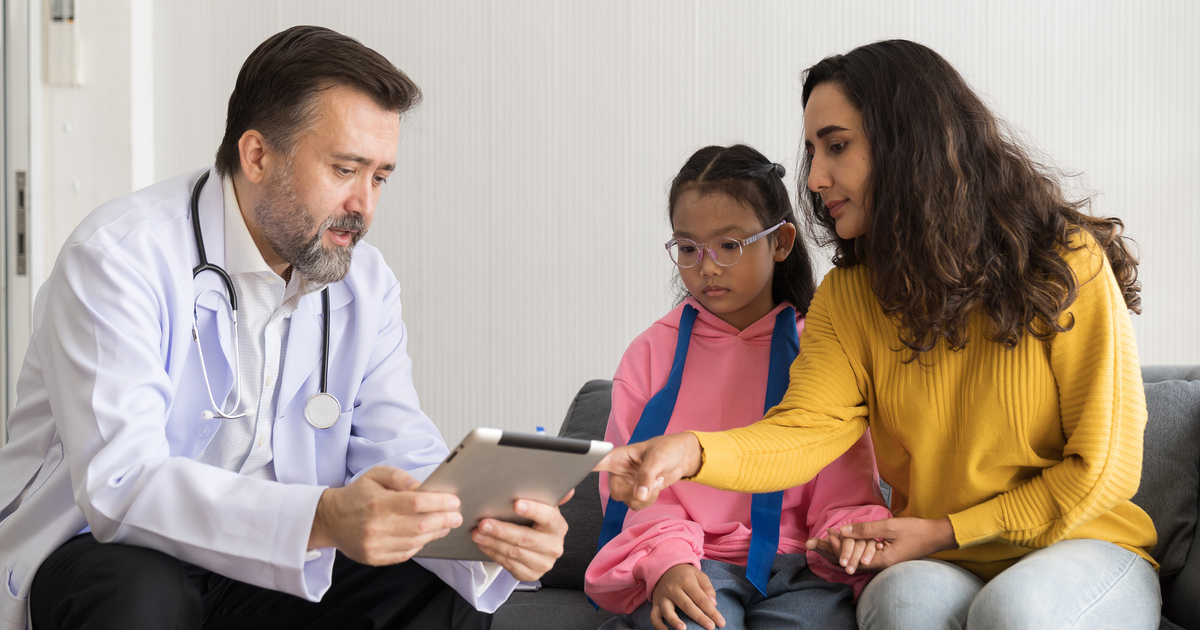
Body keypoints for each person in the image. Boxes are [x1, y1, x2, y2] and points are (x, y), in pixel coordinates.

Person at [0, 25, 568, 630]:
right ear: (257, 156)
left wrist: (486, 528)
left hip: (271, 568)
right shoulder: (119, 257)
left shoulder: (365, 283)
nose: (365, 206)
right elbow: (122, 486)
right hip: (107, 553)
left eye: (379, 177)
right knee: (145, 591)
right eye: (345, 169)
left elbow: (399, 448)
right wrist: (321, 518)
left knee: (429, 582)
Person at [598, 40, 1161, 630]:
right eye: (813, 150)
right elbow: (802, 435)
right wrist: (691, 450)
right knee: (896, 604)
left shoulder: (1064, 261)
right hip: (948, 557)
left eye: (836, 146)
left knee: (1014, 611)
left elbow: (1106, 468)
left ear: (907, 143)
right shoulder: (849, 298)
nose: (815, 177)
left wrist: (946, 530)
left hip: (1083, 542)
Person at [585, 145, 891, 630]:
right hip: (692, 559)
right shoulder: (650, 353)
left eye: (729, 245)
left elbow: (843, 484)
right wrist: (668, 562)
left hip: (804, 568)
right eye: (688, 248)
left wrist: (845, 537)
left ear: (782, 241)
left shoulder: (823, 345)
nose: (706, 267)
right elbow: (632, 485)